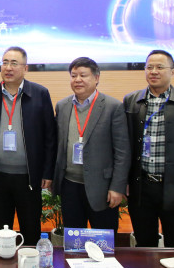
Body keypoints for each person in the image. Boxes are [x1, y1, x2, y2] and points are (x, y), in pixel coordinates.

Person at [124, 50, 174, 247]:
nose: (153, 71)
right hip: (141, 186)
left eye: (160, 67)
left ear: (173, 71)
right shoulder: (132, 100)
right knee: (145, 243)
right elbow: (124, 146)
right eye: (149, 67)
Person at [0, 46, 57, 246]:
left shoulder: (40, 94)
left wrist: (47, 172)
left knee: (31, 229)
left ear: (25, 68)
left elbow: (50, 137)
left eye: (14, 63)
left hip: (28, 178)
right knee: (0, 231)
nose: (8, 68)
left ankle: (30, 259)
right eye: (5, 63)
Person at [52, 57, 130, 233]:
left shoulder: (112, 107)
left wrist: (117, 187)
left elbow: (122, 152)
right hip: (69, 185)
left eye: (83, 75)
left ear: (96, 78)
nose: (77, 80)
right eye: (73, 76)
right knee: (73, 238)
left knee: (104, 239)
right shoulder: (63, 106)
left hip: (102, 187)